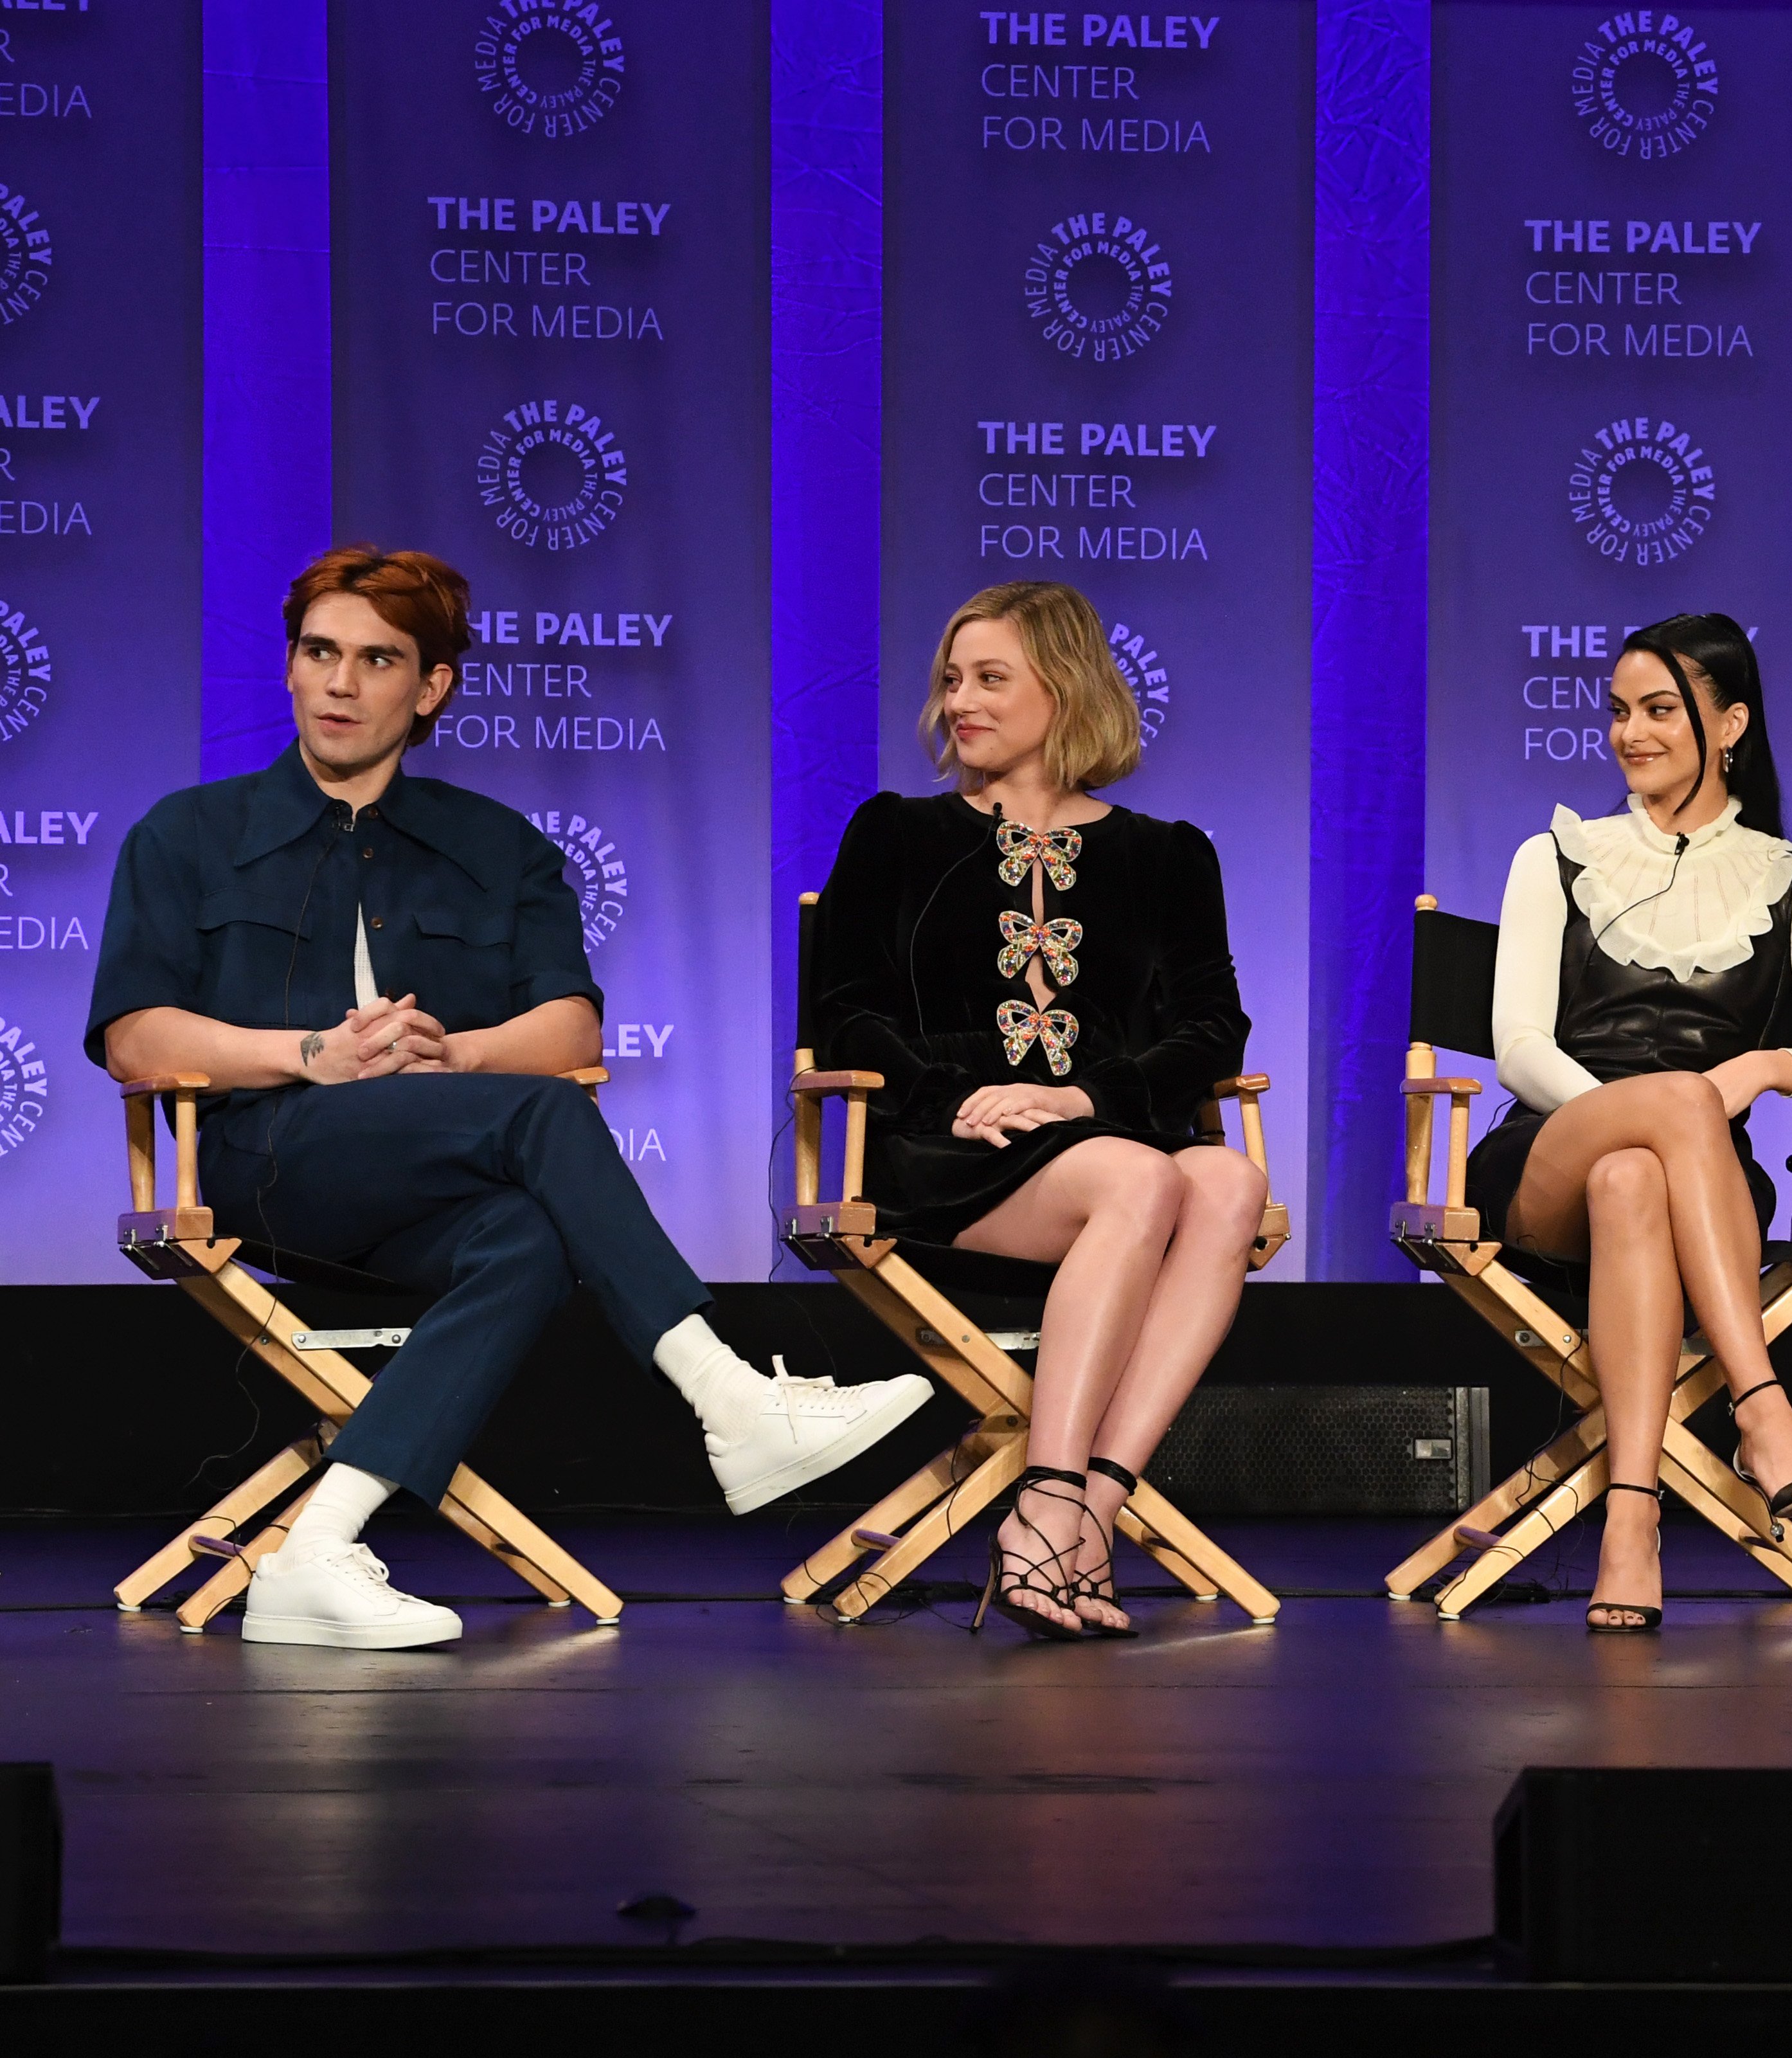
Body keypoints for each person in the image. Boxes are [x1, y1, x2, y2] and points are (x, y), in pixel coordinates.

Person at [87, 545, 932, 1650]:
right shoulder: (187, 834)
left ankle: (317, 1547)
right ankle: (728, 1397)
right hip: (260, 1160)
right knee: (546, 1115)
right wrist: (310, 1053)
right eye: (319, 653)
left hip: (422, 1179)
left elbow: (570, 1029)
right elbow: (134, 1034)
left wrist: (459, 1056)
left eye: (377, 659)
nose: (340, 683)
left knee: (529, 1236)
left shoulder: (496, 847)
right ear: (291, 670)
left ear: (430, 687)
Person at [810, 582, 1266, 1640]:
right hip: (940, 1146)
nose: (957, 703)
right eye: (951, 681)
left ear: (1063, 688)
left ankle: (1084, 1514)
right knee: (1145, 1174)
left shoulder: (1168, 854)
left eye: (988, 678)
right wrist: (954, 1095)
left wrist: (1086, 1095)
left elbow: (1213, 1029)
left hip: (1105, 1134)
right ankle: (1049, 1501)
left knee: (1230, 1179)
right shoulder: (894, 834)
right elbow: (843, 1015)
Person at [1468, 613, 1792, 1632]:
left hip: (1692, 1186)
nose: (1629, 733)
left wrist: (1761, 1066)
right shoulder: (1556, 855)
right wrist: (1640, 1112)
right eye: (1618, 711)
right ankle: (1763, 1406)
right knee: (1644, 1134)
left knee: (1639, 1179)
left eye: (1659, 710)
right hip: (1548, 1151)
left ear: (1731, 723)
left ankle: (1630, 1524)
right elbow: (1518, 1044)